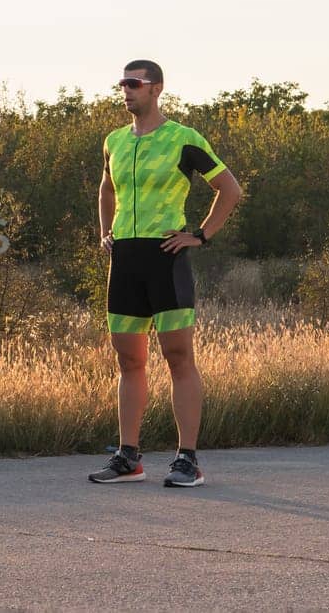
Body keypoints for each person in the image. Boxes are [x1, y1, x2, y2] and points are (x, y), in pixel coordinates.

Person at [87, 59, 244, 487]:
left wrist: (200, 236)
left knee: (178, 358)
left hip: (165, 256)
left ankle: (187, 460)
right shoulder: (114, 141)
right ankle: (129, 458)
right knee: (129, 360)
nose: (126, 90)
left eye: (134, 84)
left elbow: (230, 189)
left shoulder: (182, 139)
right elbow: (106, 188)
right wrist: (105, 232)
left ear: (156, 89)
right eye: (123, 83)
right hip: (125, 260)